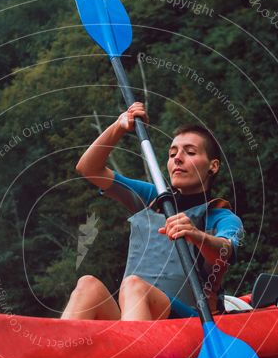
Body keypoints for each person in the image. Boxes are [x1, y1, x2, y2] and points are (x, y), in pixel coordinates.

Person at [61, 102, 243, 321]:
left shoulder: (221, 216)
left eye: (190, 152)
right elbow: (89, 169)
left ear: (213, 166)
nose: (177, 158)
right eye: (172, 153)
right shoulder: (152, 199)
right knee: (87, 284)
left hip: (190, 322)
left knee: (134, 286)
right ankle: (58, 352)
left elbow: (227, 250)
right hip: (136, 316)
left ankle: (131, 352)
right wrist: (119, 127)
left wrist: (197, 235)